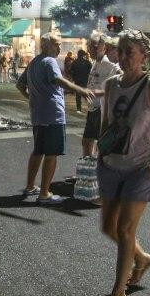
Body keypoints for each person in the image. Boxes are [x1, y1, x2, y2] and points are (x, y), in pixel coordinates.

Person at [97, 30, 150, 296]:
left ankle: (118, 292)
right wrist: (99, 157)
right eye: (122, 51)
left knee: (126, 229)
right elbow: (106, 123)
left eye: (131, 52)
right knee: (108, 228)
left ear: (144, 56)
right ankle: (141, 259)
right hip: (111, 166)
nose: (125, 57)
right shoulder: (111, 84)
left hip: (140, 169)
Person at [16, 33, 94, 204]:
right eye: (56, 45)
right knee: (51, 154)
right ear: (46, 46)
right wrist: (80, 90)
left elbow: (20, 84)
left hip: (38, 115)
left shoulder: (34, 62)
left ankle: (30, 186)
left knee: (38, 151)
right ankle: (44, 194)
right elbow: (57, 79)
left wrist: (32, 98)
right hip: (53, 115)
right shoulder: (50, 61)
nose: (59, 48)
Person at [83, 33, 122, 157]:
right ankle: (89, 167)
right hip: (92, 108)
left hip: (100, 109)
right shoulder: (95, 62)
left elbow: (120, 75)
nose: (90, 49)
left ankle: (97, 168)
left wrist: (103, 93)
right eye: (89, 46)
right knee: (87, 141)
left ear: (101, 47)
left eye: (93, 46)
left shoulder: (107, 63)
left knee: (98, 141)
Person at [69, 49, 93, 113]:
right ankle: (89, 107)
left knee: (78, 95)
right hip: (85, 80)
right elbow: (91, 71)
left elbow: (71, 71)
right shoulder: (87, 62)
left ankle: (78, 109)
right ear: (83, 55)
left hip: (77, 80)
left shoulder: (74, 62)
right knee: (86, 94)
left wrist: (73, 76)